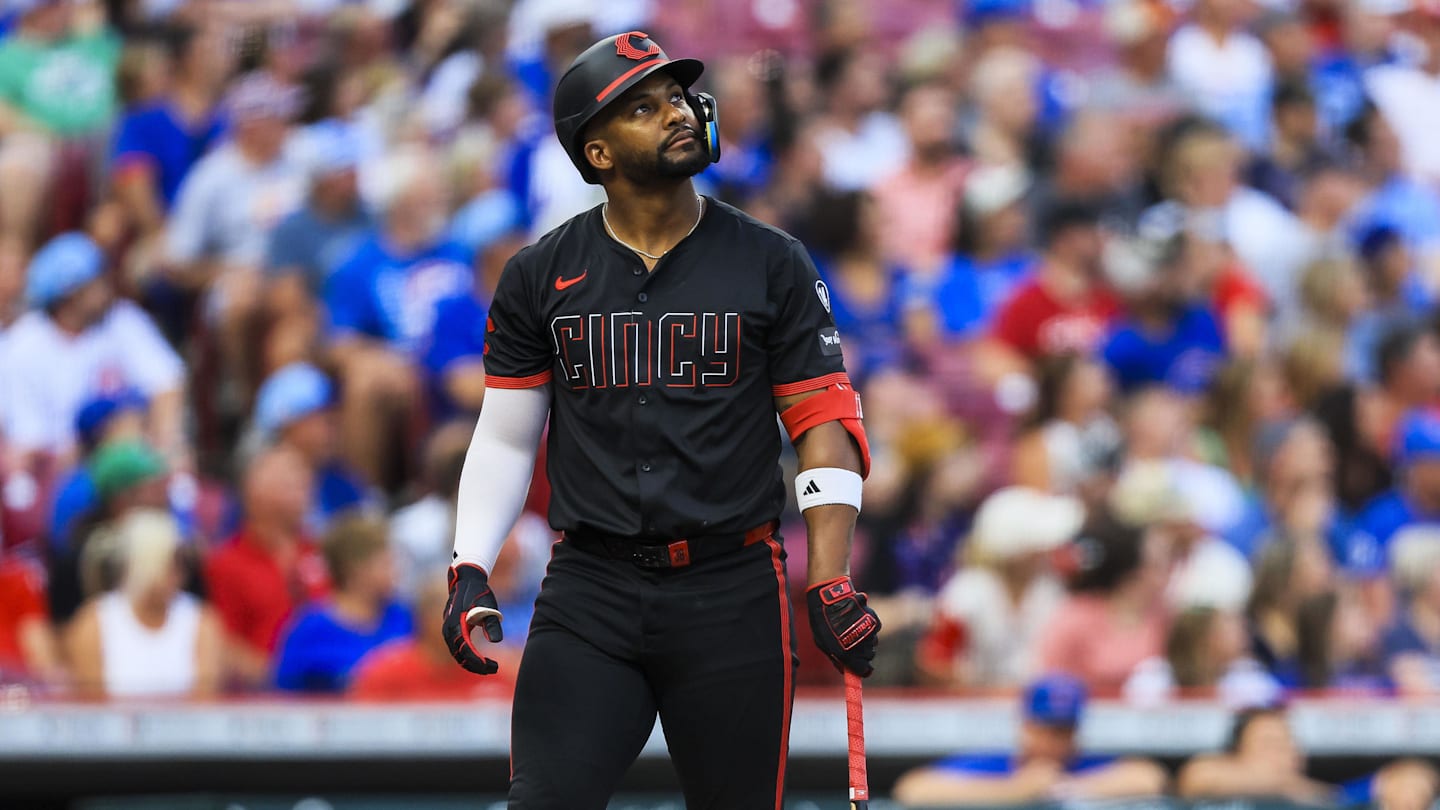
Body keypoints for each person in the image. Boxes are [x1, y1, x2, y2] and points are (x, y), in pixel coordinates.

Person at [442, 32, 880, 808]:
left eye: (676, 97)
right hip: (590, 590)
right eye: (644, 107)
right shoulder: (538, 274)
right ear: (599, 152)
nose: (676, 112)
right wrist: (470, 562)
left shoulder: (771, 259)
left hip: (732, 588)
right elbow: (507, 434)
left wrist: (831, 577)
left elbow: (824, 422)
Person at [1, 232, 184, 466]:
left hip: (130, 459)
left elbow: (166, 384)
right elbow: (27, 438)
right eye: (94, 282)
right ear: (69, 293)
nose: (105, 287)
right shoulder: (23, 343)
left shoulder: (122, 319)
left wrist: (165, 442)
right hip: (57, 470)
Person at [892, 673, 1168, 805]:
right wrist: (1017, 789)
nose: (1054, 741)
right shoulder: (998, 764)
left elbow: (1151, 778)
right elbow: (912, 790)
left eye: (1063, 730)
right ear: (1027, 726)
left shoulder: (1081, 766)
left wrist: (1065, 787)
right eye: (1046, 729)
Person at [916, 487, 1081, 688]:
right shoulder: (968, 592)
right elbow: (935, 661)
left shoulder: (1051, 591)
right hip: (972, 706)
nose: (1045, 553)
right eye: (1037, 547)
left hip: (1035, 705)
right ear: (1016, 551)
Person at [203, 446, 328, 689]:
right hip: (260, 696)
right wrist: (279, 678)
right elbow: (222, 641)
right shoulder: (226, 563)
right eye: (291, 483)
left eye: (305, 482)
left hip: (327, 690)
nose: (305, 490)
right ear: (255, 491)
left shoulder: (321, 553)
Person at [63, 509, 222, 698]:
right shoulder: (94, 623)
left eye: (181, 563)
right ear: (145, 564)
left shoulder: (201, 622)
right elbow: (91, 706)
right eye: (170, 564)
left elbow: (204, 701)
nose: (179, 574)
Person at [1179, 706, 1439, 809]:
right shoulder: (1210, 781)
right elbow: (1197, 777)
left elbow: (1407, 776)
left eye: (1288, 743)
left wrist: (1411, 780)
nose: (1284, 752)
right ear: (1235, 754)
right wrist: (1291, 786)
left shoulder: (1332, 797)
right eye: (1269, 743)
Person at [273, 514, 410, 692]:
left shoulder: (403, 617)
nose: (396, 571)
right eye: (386, 563)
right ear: (356, 568)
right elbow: (282, 691)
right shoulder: (311, 629)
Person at [1036, 515, 1171, 692]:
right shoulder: (1074, 619)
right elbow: (1048, 679)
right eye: (1157, 566)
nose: (1167, 575)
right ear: (1132, 572)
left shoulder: (1165, 617)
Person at [251, 362, 374, 535]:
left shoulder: (341, 481)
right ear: (289, 426)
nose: (332, 427)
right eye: (322, 418)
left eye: (333, 417)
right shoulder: (262, 490)